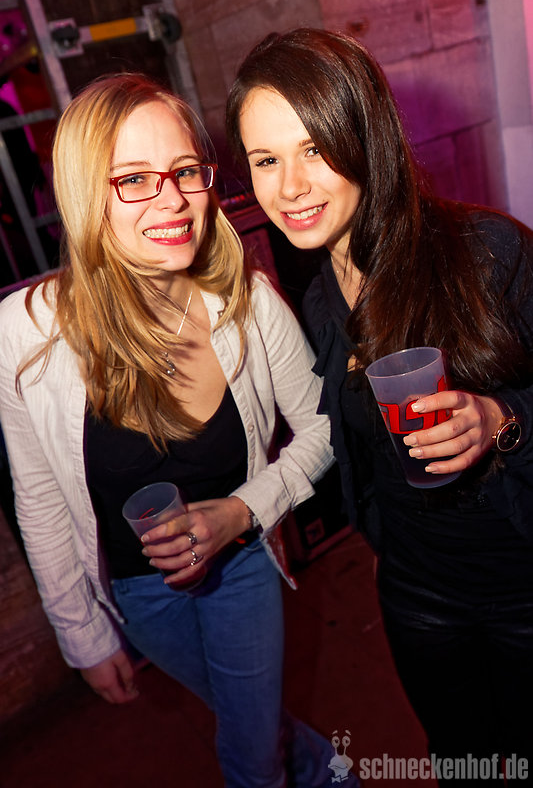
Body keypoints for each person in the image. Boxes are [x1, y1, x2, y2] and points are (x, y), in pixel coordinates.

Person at [0, 72, 356, 788]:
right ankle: (329, 771)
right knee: (254, 721)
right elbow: (39, 502)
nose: (172, 199)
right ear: (84, 194)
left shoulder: (248, 302)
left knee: (250, 758)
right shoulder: (25, 333)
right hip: (138, 597)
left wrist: (242, 512)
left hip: (242, 569)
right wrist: (83, 637)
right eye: (133, 179)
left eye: (186, 171)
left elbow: (323, 427)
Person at [226, 28, 533, 783]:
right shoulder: (318, 303)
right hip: (417, 594)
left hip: (524, 584)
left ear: (365, 138)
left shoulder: (489, 253)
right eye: (266, 160)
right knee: (462, 763)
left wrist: (500, 420)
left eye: (314, 148)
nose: (290, 187)